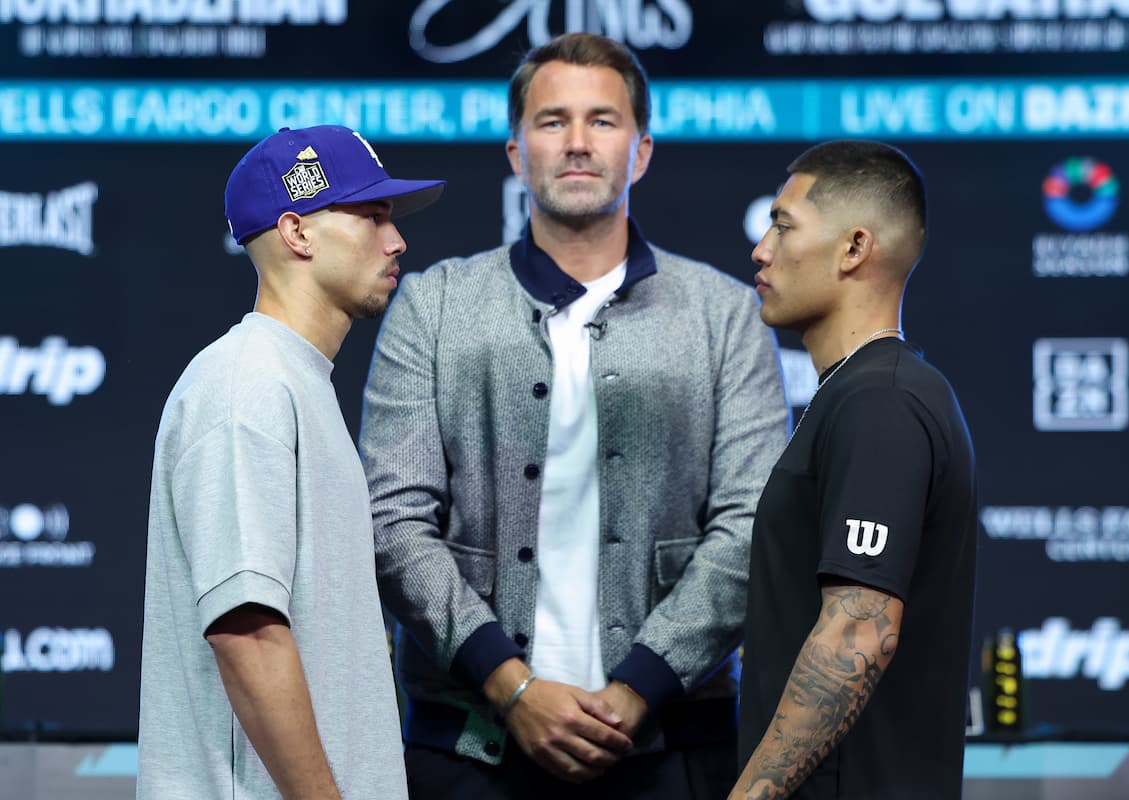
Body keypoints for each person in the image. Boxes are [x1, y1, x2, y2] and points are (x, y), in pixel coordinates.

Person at [359, 32, 789, 800]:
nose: (579, 142)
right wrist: (509, 684)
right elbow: (392, 523)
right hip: (467, 745)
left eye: (604, 120)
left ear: (643, 151)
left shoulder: (725, 314)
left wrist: (641, 685)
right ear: (516, 152)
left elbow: (754, 525)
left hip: (673, 743)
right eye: (553, 121)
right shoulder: (434, 304)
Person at [137, 124, 444, 800]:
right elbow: (246, 634)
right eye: (372, 215)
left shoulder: (293, 382)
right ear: (298, 234)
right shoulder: (247, 385)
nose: (396, 241)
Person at [731, 140, 978, 800]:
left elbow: (858, 631)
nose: (760, 250)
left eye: (782, 226)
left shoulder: (880, 403)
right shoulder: (858, 394)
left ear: (853, 248)